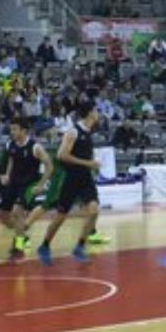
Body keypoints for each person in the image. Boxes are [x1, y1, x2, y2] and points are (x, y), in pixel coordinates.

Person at [37, 100, 102, 266]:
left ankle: (79, 247)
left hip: (85, 178)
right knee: (60, 217)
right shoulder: (73, 131)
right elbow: (61, 156)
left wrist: (91, 165)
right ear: (89, 113)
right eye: (96, 110)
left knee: (94, 210)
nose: (98, 113)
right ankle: (44, 246)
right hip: (70, 178)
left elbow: (86, 156)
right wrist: (89, 164)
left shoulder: (89, 132)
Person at [0, 119, 52, 263]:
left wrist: (41, 185)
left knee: (17, 212)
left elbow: (50, 166)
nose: (12, 132)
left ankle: (19, 248)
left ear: (24, 131)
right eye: (11, 129)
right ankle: (21, 234)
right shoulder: (11, 145)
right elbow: (11, 161)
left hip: (28, 185)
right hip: (14, 183)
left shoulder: (35, 147)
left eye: (15, 129)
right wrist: (7, 175)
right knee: (2, 214)